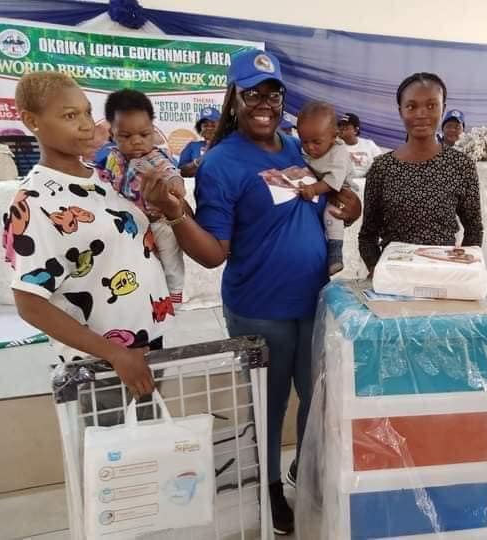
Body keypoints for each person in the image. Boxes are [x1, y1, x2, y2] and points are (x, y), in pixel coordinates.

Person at [139, 49, 361, 536]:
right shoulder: (221, 163)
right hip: (260, 309)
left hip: (313, 301)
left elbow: (331, 202)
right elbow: (213, 254)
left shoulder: (298, 147)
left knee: (317, 398)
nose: (264, 103)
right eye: (253, 93)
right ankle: (268, 487)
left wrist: (351, 205)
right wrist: (176, 214)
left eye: (273, 94)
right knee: (269, 404)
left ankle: (305, 470)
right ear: (234, 98)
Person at [2, 72, 170, 401]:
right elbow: (30, 303)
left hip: (148, 343)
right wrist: (115, 354)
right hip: (102, 363)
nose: (85, 125)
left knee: (151, 433)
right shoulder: (34, 202)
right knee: (112, 434)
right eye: (69, 116)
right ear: (31, 121)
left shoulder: (105, 178)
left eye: (87, 112)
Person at [358, 72, 483, 274]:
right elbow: (367, 235)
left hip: (443, 277)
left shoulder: (461, 165)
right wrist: (379, 272)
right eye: (411, 106)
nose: (421, 114)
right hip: (393, 278)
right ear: (400, 111)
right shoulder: (382, 168)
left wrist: (459, 270)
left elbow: (474, 229)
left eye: (431, 105)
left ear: (443, 108)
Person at [101, 89, 186, 305]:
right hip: (128, 224)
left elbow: (170, 171)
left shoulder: (153, 157)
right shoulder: (112, 157)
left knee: (170, 256)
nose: (137, 141)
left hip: (157, 222)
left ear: (153, 132)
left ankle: (175, 292)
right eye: (126, 136)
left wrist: (176, 184)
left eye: (144, 134)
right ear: (112, 134)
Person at [296, 101, 354, 276]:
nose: (310, 147)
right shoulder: (306, 149)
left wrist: (313, 189)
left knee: (332, 214)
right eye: (304, 141)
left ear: (334, 136)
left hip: (340, 190)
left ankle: (335, 254)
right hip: (322, 187)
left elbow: (333, 181)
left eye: (316, 142)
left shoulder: (338, 153)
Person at [178, 106, 220, 178]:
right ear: (200, 128)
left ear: (220, 127)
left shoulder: (227, 146)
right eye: (205, 125)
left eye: (213, 125)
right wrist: (199, 161)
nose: (209, 128)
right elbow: (181, 172)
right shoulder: (192, 146)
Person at [337, 112, 383, 177]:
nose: (341, 129)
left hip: (367, 180)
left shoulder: (369, 144)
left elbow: (381, 163)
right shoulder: (335, 146)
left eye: (345, 127)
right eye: (340, 126)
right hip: (344, 181)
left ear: (355, 130)